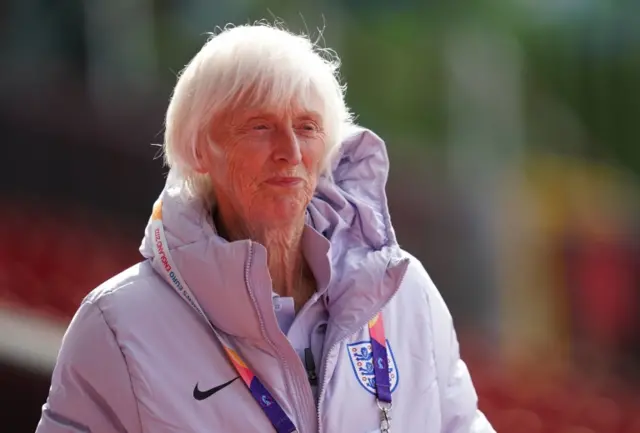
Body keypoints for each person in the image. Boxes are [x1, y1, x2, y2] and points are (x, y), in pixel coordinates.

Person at [36, 23, 494, 433]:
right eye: (260, 126)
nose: (290, 151)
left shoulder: (404, 293)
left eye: (308, 127)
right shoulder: (116, 326)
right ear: (198, 150)